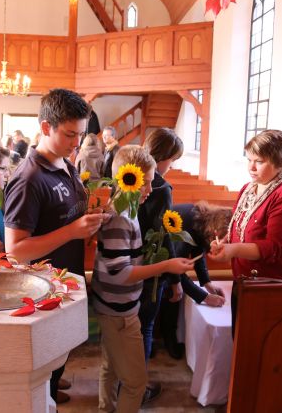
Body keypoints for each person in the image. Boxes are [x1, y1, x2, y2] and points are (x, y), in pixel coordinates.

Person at [4, 88, 107, 405]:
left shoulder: (65, 162)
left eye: (80, 135)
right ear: (46, 127)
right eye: (70, 134)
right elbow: (16, 249)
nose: (77, 143)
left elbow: (64, 214)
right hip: (43, 287)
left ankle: (51, 382)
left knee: (57, 355)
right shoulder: (29, 178)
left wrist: (87, 220)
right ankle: (45, 393)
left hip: (65, 278)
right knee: (43, 365)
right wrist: (73, 230)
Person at [92, 145, 194, 413]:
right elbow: (122, 273)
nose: (150, 189)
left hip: (113, 305)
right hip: (119, 311)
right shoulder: (120, 218)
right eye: (145, 182)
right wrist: (166, 265)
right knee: (136, 383)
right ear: (127, 178)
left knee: (110, 366)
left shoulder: (128, 209)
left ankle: (106, 409)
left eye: (151, 182)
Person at [208, 129, 282, 331]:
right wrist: (225, 243)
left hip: (275, 283)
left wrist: (233, 250)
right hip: (245, 279)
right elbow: (239, 225)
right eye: (249, 160)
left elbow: (273, 247)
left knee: (263, 344)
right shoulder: (248, 187)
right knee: (240, 337)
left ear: (279, 163)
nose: (251, 167)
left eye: (259, 161)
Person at [136, 127, 184, 401]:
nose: (171, 166)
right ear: (163, 157)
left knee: (131, 330)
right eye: (172, 159)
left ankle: (126, 384)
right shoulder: (160, 187)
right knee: (145, 329)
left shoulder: (128, 178)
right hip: (152, 269)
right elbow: (164, 236)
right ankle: (139, 389)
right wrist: (175, 280)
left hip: (130, 262)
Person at [159, 201, 231, 359]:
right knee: (172, 291)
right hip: (157, 257)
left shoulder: (202, 222)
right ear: (215, 232)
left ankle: (162, 339)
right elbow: (175, 270)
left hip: (168, 258)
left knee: (174, 288)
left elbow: (198, 253)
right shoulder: (187, 225)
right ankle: (168, 339)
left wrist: (207, 283)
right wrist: (204, 296)